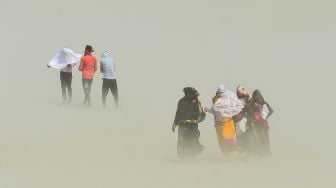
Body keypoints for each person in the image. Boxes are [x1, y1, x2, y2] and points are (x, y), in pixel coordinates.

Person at [204, 84, 244, 156]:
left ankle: (236, 148)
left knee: (228, 136)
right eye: (220, 93)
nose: (221, 94)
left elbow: (239, 106)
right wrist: (209, 110)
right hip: (218, 122)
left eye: (222, 92)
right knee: (221, 139)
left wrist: (230, 112)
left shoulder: (231, 95)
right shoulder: (216, 98)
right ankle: (227, 155)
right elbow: (214, 110)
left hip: (228, 121)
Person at [172, 87, 206, 159]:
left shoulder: (196, 102)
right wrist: (174, 124)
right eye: (185, 93)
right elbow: (178, 113)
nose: (187, 94)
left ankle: (193, 156)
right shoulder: (181, 101)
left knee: (193, 139)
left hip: (193, 125)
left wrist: (198, 120)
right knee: (181, 140)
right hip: (182, 124)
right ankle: (180, 156)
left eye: (188, 93)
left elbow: (201, 114)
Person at [244, 89, 274, 158]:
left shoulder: (264, 104)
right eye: (255, 96)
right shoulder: (254, 103)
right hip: (256, 124)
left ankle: (264, 153)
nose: (257, 97)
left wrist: (264, 117)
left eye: (257, 96)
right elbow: (246, 109)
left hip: (261, 124)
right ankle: (261, 153)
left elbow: (271, 111)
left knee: (262, 138)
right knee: (259, 138)